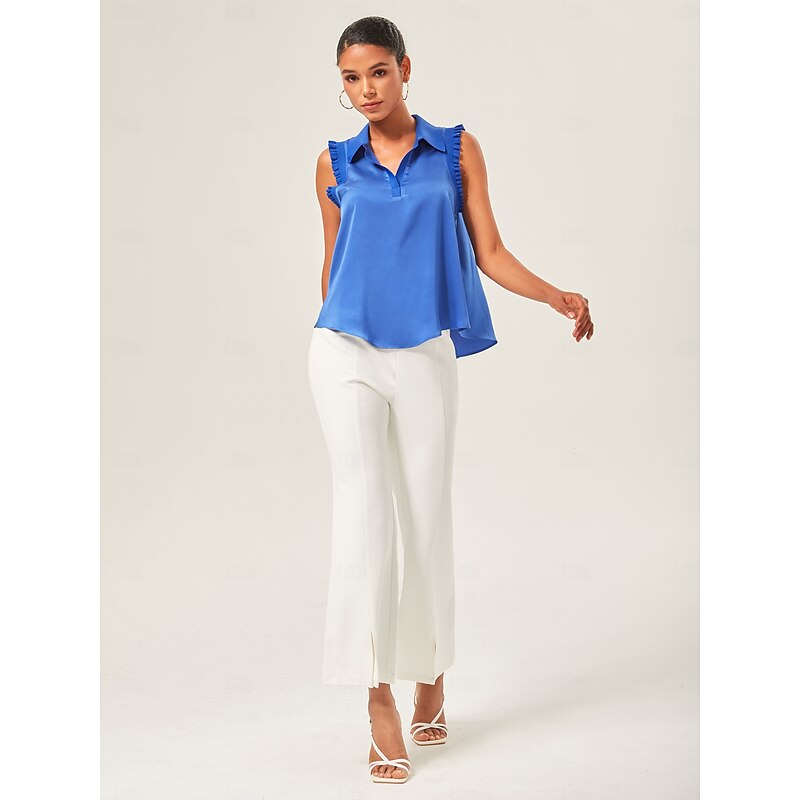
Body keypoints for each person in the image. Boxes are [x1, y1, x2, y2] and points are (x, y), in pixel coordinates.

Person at [307, 16, 594, 785]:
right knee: (363, 520)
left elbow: (489, 250)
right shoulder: (332, 163)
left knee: (426, 517)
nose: (366, 90)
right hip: (345, 352)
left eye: (377, 72)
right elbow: (332, 266)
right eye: (350, 78)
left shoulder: (456, 151)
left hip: (425, 351)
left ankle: (431, 670)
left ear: (404, 69)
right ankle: (378, 698)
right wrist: (336, 329)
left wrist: (555, 295)